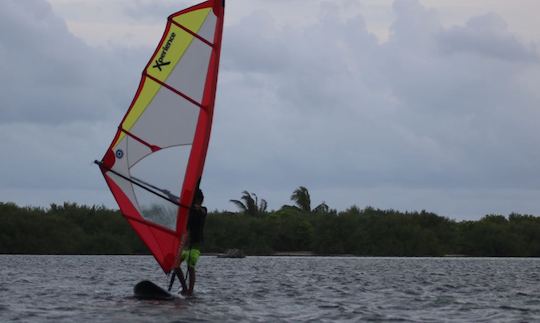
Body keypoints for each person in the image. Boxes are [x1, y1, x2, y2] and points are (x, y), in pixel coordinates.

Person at [179, 188, 207, 296]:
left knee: (190, 265)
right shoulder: (188, 211)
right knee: (175, 265)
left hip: (196, 244)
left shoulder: (203, 210)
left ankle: (190, 291)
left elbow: (202, 211)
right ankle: (185, 288)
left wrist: (196, 207)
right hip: (186, 244)